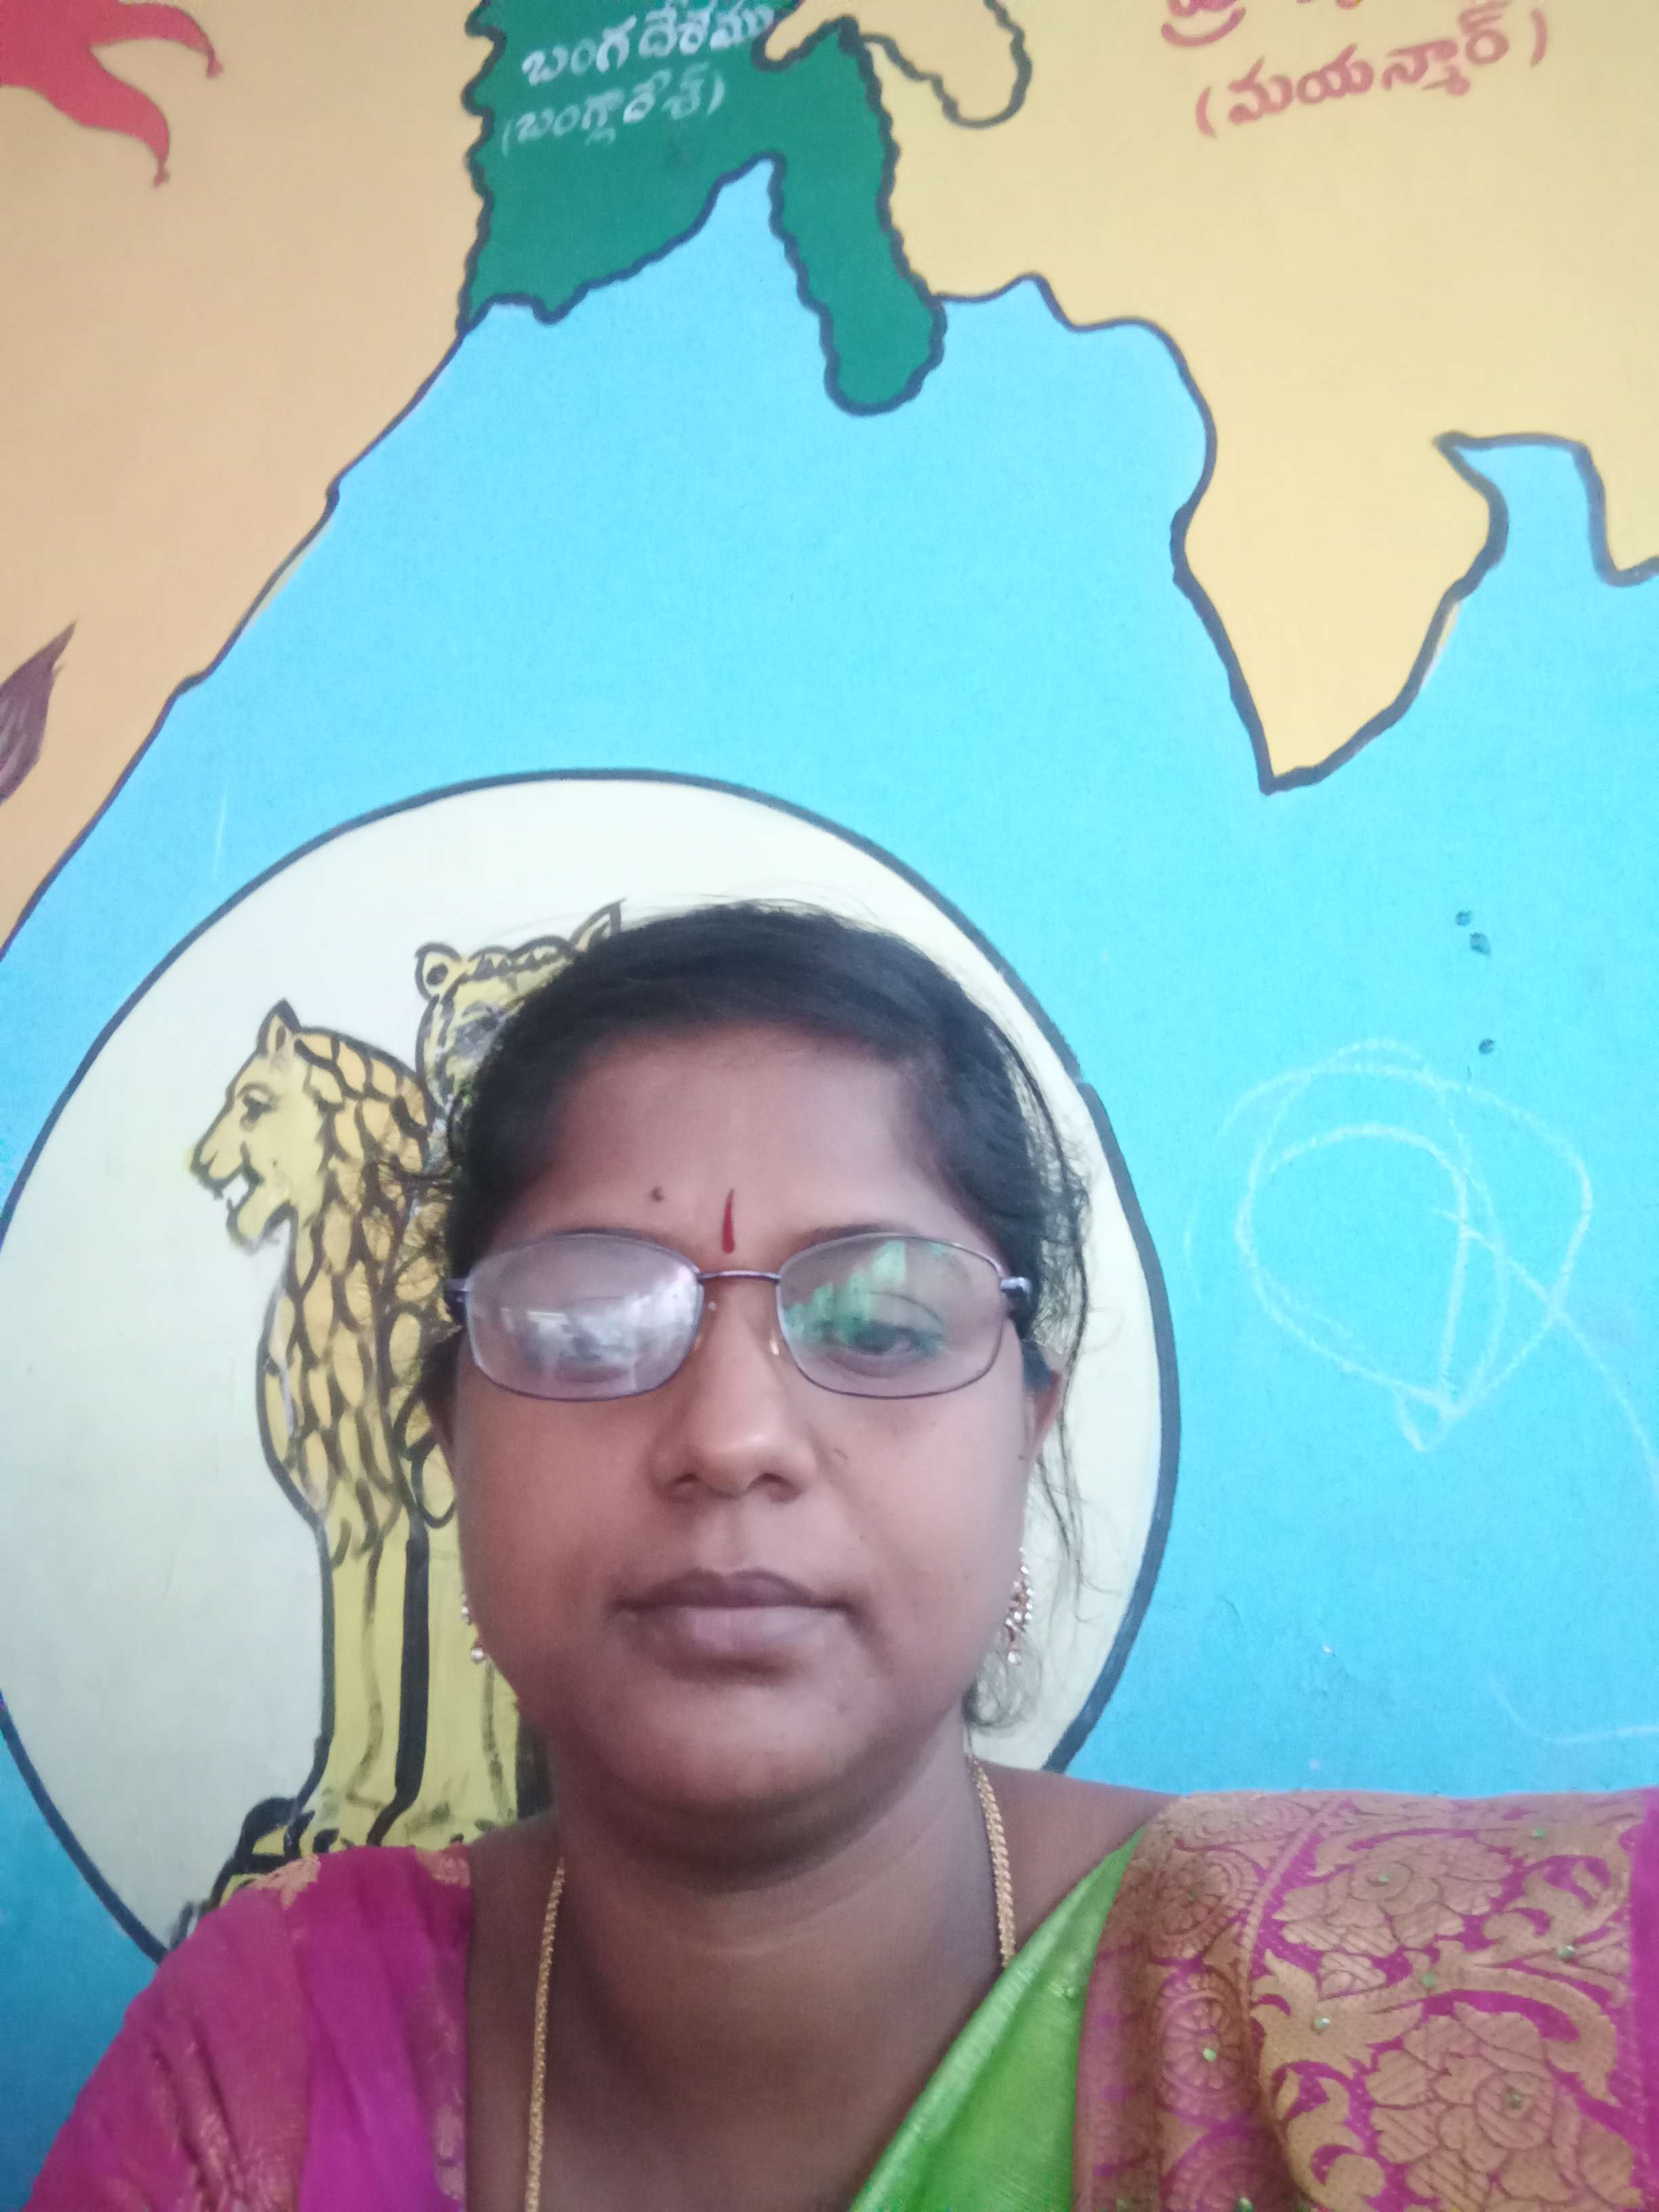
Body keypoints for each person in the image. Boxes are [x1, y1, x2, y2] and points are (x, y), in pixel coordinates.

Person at [30, 903, 1659, 2211]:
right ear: (454, 1435)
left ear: (1029, 1432)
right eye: (592, 1324)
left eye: (878, 1322)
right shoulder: (265, 2075)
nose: (734, 1435)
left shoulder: (1414, 1999)